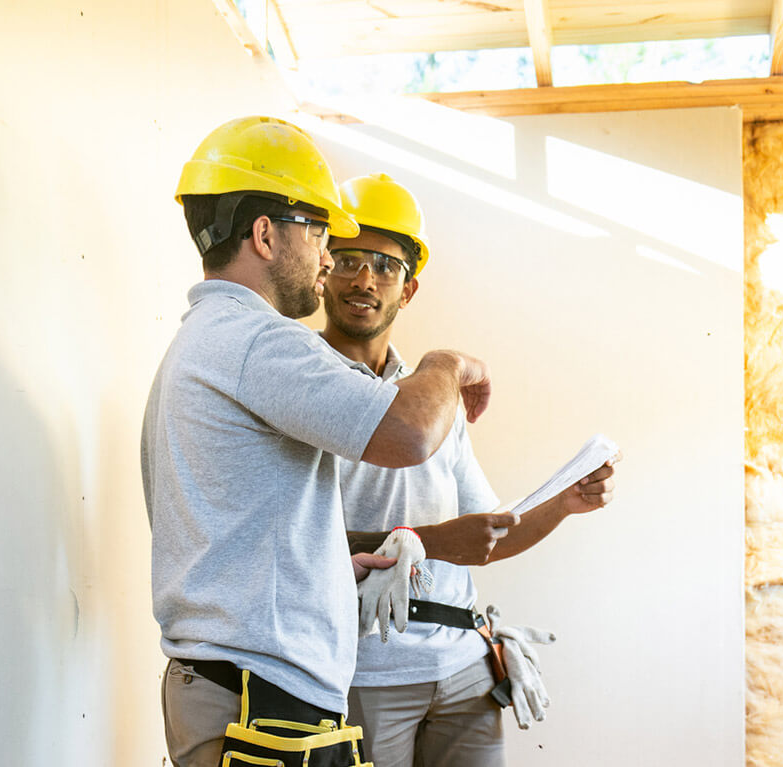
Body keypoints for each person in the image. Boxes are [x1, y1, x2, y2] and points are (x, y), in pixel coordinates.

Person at [143, 117, 494, 767]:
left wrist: (333, 567)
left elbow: (240, 523)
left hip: (244, 688)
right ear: (266, 234)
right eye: (320, 232)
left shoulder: (206, 338)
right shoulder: (258, 341)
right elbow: (410, 431)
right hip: (260, 696)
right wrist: (445, 363)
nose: (330, 258)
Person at [318, 173, 618, 767]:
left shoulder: (437, 402)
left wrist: (563, 504)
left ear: (409, 290)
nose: (365, 278)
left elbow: (485, 537)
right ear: (324, 271)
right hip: (366, 674)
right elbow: (289, 546)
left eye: (385, 264)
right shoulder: (301, 388)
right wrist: (424, 543)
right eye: (349, 258)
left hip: (464, 668)